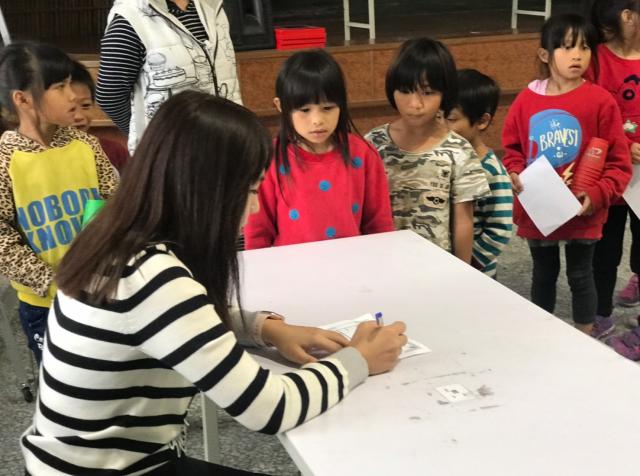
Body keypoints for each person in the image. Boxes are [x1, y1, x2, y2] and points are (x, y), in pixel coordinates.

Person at [20, 90, 407, 475]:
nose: (255, 206)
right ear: (207, 191)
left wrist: (265, 328)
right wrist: (358, 360)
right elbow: (269, 408)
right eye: (250, 190)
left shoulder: (118, 239)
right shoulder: (152, 278)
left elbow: (171, 321)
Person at [502, 14, 632, 336]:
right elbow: (512, 150)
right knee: (543, 274)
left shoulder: (600, 101)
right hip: (539, 208)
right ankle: (543, 336)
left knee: (581, 275)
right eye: (567, 47)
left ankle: (585, 337)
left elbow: (619, 164)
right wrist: (514, 172)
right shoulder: (525, 101)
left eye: (585, 47)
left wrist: (597, 195)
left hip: (582, 211)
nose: (577, 55)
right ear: (545, 54)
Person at [0, 42, 119, 364]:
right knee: (63, 376)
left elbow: (115, 201)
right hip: (44, 303)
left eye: (70, 83)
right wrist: (50, 282)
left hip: (101, 288)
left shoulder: (87, 145)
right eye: (59, 87)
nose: (71, 96)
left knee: (107, 370)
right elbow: (2, 238)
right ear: (23, 99)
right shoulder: (6, 159)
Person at [244, 49, 394, 249]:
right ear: (281, 105)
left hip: (353, 262)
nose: (317, 120)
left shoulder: (363, 154)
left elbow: (380, 226)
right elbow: (257, 233)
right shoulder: (268, 158)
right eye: (305, 110)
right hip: (291, 266)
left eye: (328, 108)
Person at [366, 38, 490, 264]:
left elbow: (463, 221)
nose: (415, 104)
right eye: (405, 91)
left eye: (428, 92)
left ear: (445, 94)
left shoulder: (459, 150)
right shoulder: (373, 145)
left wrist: (463, 273)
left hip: (436, 267)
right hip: (382, 263)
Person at [96, 0, 241, 153]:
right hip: (173, 155)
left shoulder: (212, 7)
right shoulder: (130, 19)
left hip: (228, 143)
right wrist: (155, 141)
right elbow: (110, 96)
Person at [588, 0, 640, 359]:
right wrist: (622, 145)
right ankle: (600, 314)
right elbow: (587, 111)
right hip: (609, 175)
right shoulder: (596, 59)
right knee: (603, 252)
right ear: (627, 16)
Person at [446, 69, 513, 277]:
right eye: (438, 117)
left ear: (482, 121)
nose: (441, 126)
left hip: (474, 273)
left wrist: (468, 264)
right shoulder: (443, 159)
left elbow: (499, 228)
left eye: (451, 119)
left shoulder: (492, 171)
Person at [71, 60, 129, 173]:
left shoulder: (113, 152)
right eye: (70, 108)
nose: (79, 116)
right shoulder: (38, 155)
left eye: (86, 105)